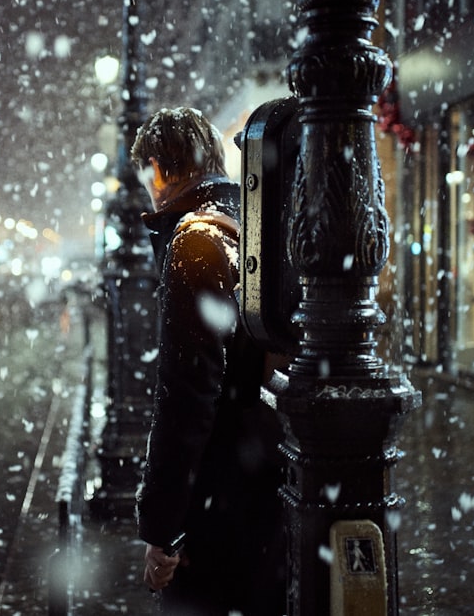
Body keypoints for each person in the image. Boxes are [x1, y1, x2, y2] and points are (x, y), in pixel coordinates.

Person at [132, 107, 286, 615]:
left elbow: (186, 398)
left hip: (213, 501)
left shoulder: (194, 242)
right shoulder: (246, 225)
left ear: (160, 170)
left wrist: (163, 531)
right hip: (260, 484)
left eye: (147, 176)